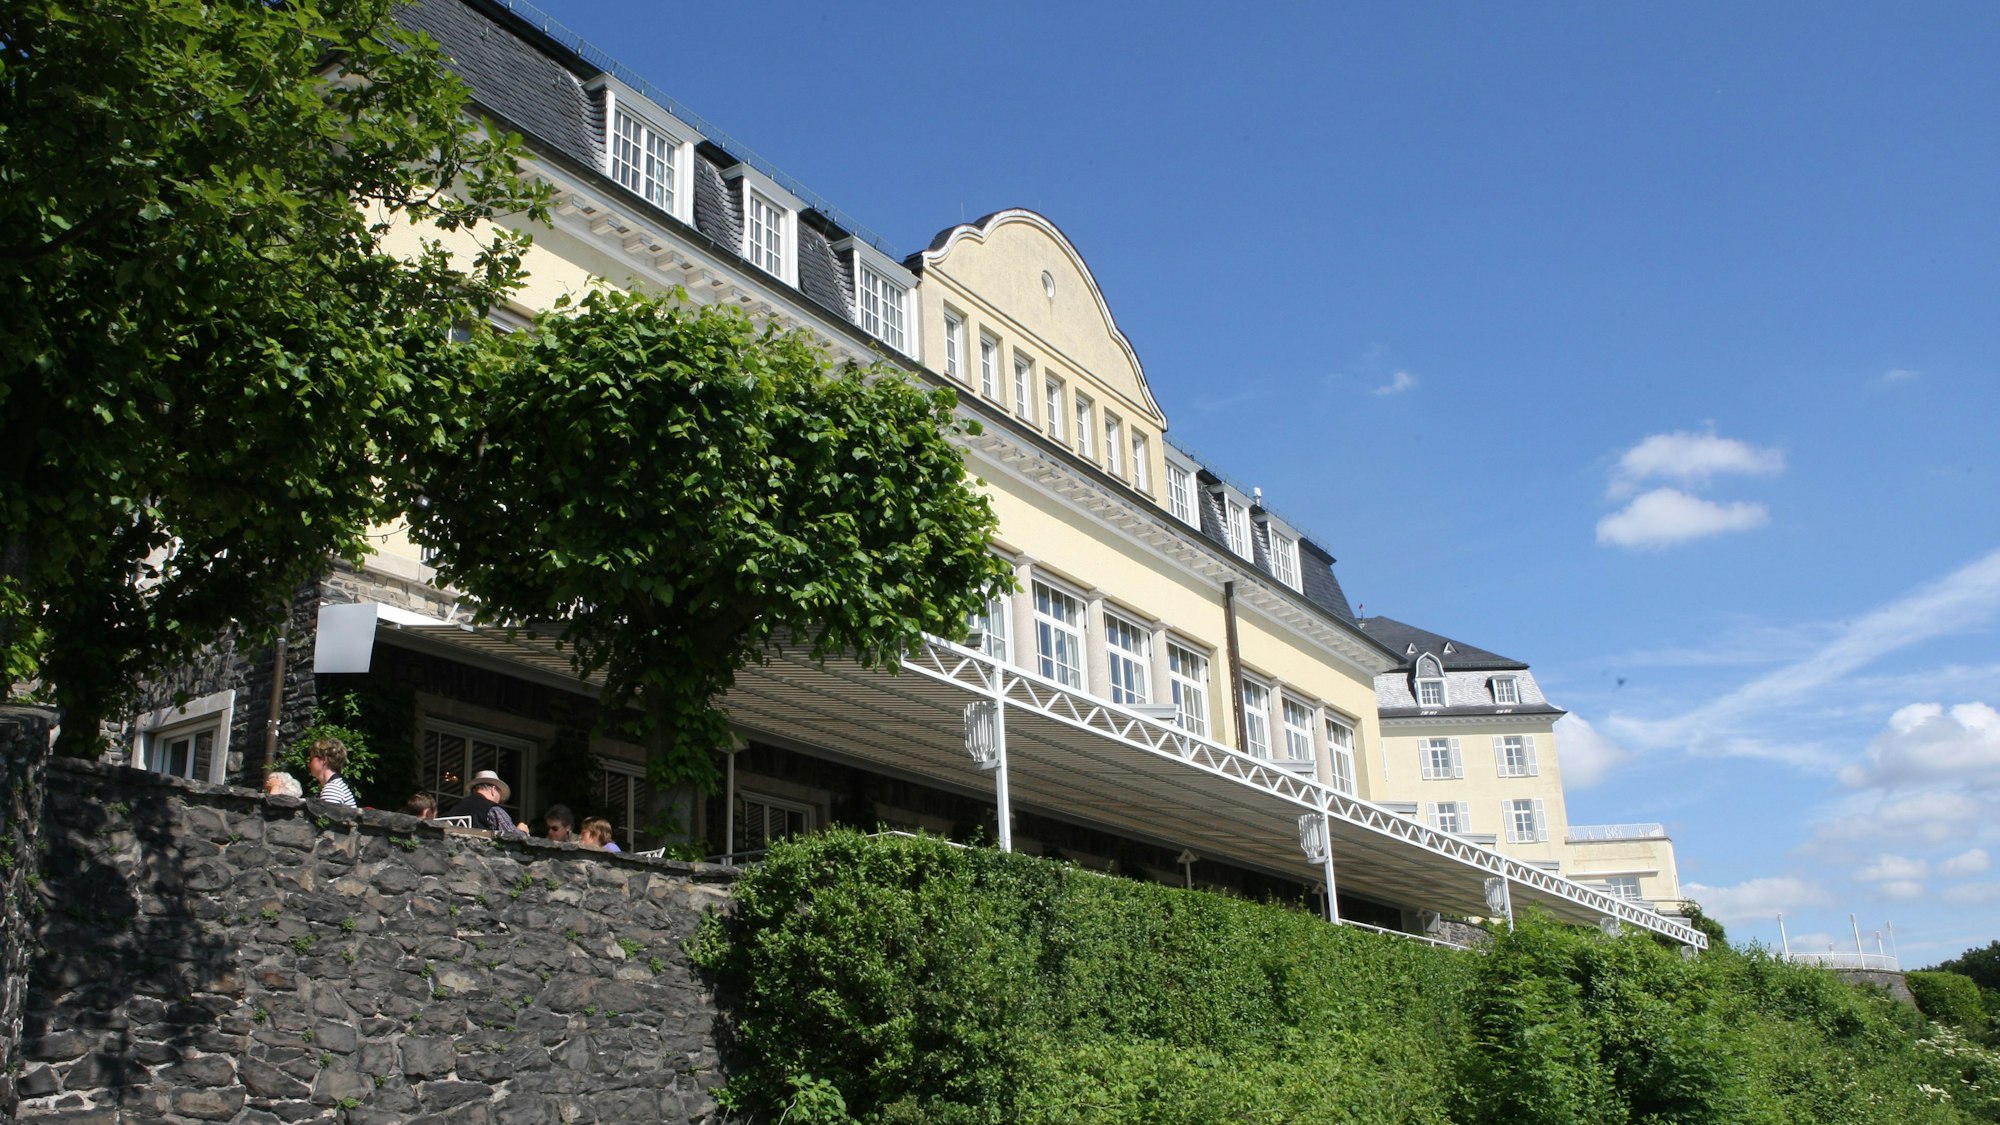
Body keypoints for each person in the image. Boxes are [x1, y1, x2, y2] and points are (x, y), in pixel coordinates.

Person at [446, 770, 527, 835]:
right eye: (499, 794)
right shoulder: (492, 808)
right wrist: (522, 831)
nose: (499, 801)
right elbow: (512, 836)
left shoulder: (456, 808)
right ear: (493, 789)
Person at [307, 737, 357, 807]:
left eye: (311, 759)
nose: (308, 764)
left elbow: (325, 818)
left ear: (324, 759)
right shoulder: (335, 786)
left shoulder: (332, 789)